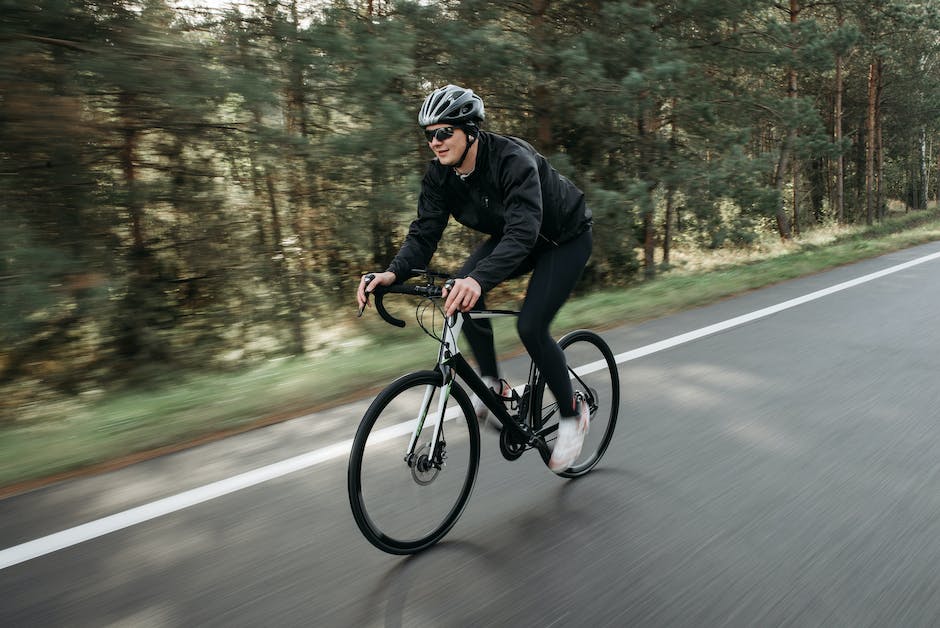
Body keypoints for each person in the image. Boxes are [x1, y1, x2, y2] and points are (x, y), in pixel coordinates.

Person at [356, 84, 594, 473]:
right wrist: (392, 272)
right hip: (519, 237)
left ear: (470, 129)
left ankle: (571, 416)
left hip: (565, 238)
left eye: (444, 131)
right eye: (429, 134)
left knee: (531, 324)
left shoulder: (512, 159)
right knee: (459, 287)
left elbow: (524, 231)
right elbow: (424, 233)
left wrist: (479, 280)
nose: (435, 141)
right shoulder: (440, 177)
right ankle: (493, 382)